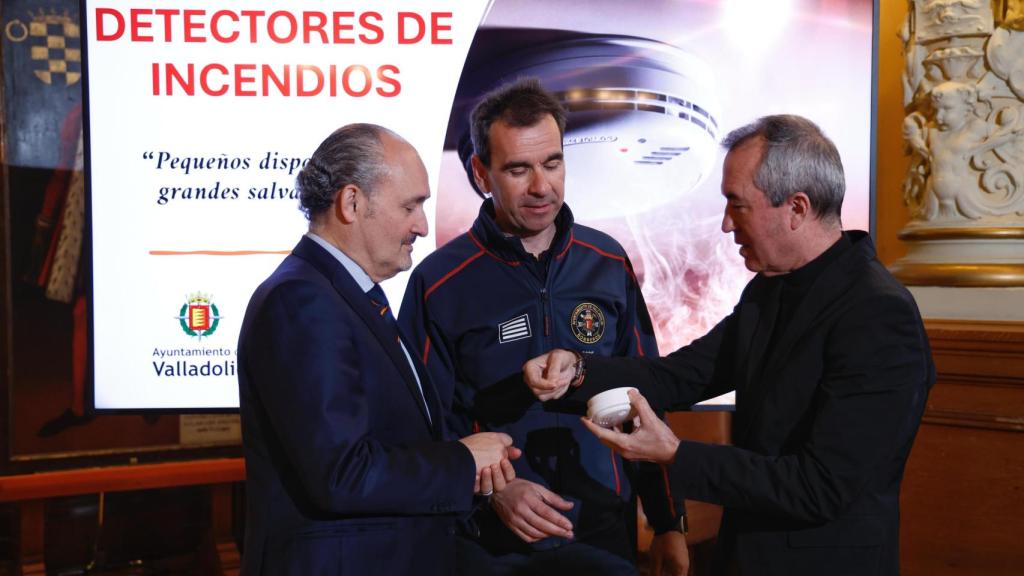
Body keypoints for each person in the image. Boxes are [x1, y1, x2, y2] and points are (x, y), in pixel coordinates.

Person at [525, 115, 935, 576]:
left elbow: (821, 487)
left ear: (796, 208)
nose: (724, 224)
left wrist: (677, 455)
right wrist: (577, 370)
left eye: (736, 205)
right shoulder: (769, 290)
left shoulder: (878, 315)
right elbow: (676, 376)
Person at [399, 78, 688, 576]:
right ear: (481, 173)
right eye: (518, 169)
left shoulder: (606, 260)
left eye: (552, 163)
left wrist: (667, 523)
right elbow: (422, 422)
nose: (541, 186)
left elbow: (646, 395)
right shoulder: (439, 281)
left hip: (602, 531)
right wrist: (492, 491)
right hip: (489, 545)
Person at [237, 123, 519, 576]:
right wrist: (462, 460)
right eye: (411, 206)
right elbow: (342, 473)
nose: (423, 226)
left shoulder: (349, 295)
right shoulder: (303, 301)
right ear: (352, 203)